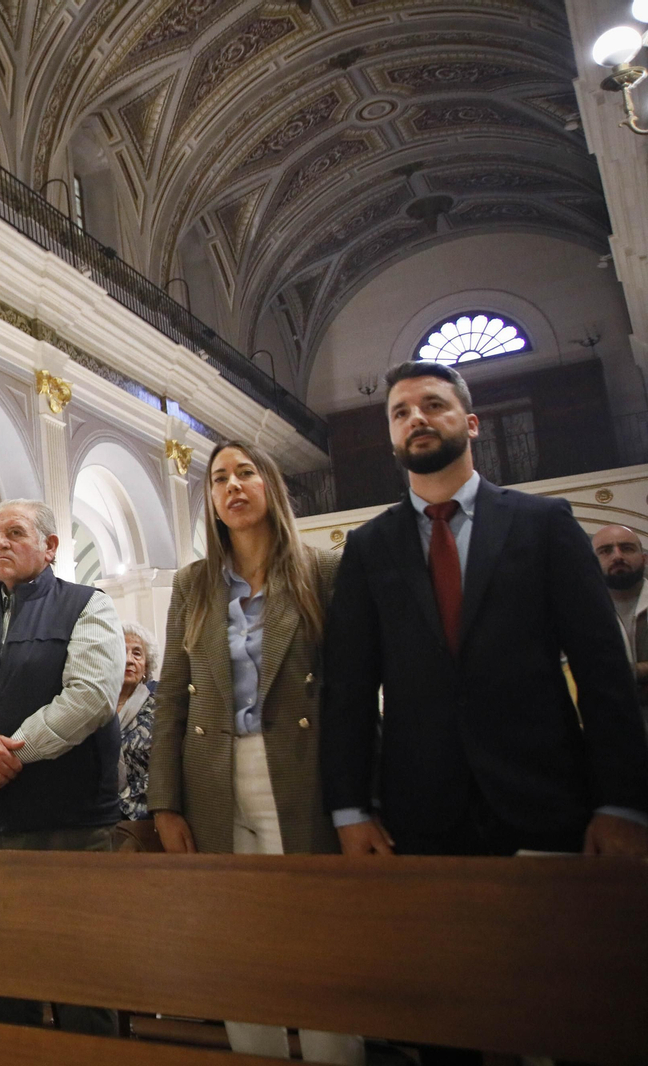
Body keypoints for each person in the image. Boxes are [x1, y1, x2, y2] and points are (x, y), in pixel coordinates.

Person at [323, 360, 648, 859]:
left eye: (434, 405)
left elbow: (602, 668)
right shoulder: (369, 548)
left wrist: (622, 803)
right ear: (391, 435)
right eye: (401, 412)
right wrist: (349, 809)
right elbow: (350, 687)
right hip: (418, 811)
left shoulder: (544, 524)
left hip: (544, 797)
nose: (417, 419)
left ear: (470, 422)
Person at [149, 441, 358, 1064]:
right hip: (214, 777)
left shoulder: (321, 572)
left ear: (270, 486)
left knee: (318, 939)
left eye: (245, 473)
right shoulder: (195, 585)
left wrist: (355, 802)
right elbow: (171, 703)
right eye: (219, 479)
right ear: (210, 499)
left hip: (302, 772)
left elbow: (349, 693)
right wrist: (165, 802)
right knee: (237, 940)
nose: (232, 486)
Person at [0, 498, 124, 1034]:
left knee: (81, 979)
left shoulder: (87, 606)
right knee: (1, 978)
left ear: (51, 546)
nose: (0, 544)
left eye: (14, 532)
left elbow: (91, 696)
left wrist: (3, 756)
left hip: (69, 826)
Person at [592, 524, 648, 735]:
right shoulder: (583, 616)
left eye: (627, 548)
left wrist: (622, 675)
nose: (617, 556)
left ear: (644, 559)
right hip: (614, 739)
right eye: (606, 551)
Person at [110, 622, 158, 822]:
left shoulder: (161, 706)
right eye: (122, 651)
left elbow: (165, 767)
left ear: (146, 666)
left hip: (146, 815)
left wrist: (121, 805)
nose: (129, 660)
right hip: (95, 816)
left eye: (137, 654)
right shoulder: (96, 704)